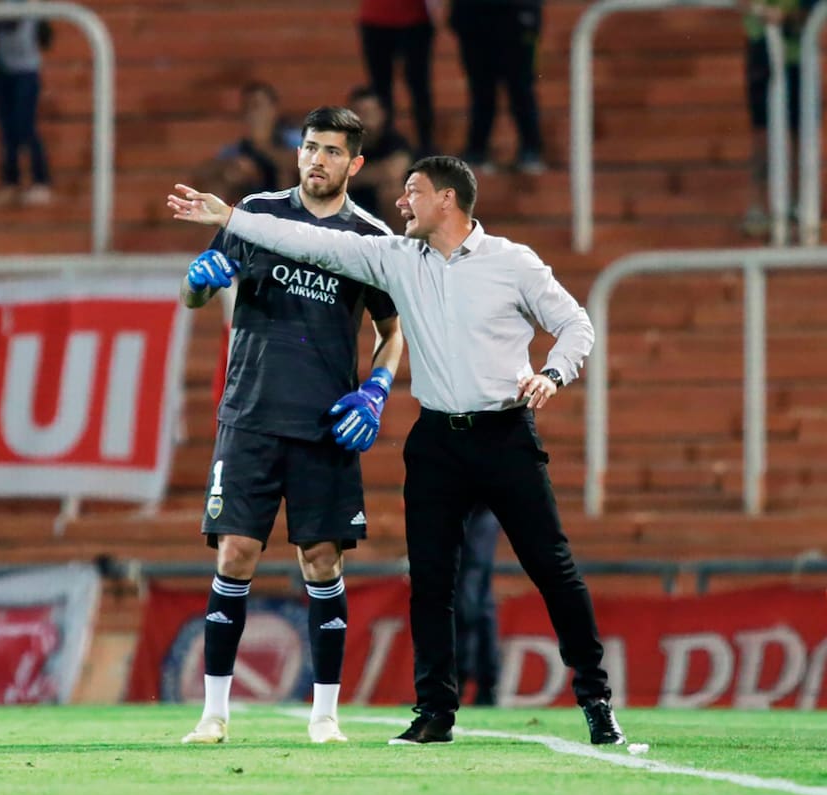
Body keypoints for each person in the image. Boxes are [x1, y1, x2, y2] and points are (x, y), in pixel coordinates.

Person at [167, 155, 627, 747]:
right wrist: (230, 216)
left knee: (553, 570)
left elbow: (576, 324)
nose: (401, 204)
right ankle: (435, 712)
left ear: (448, 201)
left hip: (506, 435)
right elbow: (302, 238)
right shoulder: (396, 259)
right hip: (436, 440)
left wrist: (553, 374)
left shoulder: (512, 263)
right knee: (432, 583)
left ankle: (596, 701)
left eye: (413, 193)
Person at [178, 106, 404, 746]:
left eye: (332, 152)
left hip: (325, 425)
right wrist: (198, 283)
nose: (317, 160)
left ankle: (325, 716)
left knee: (322, 559)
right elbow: (199, 292)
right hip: (249, 414)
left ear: (354, 164)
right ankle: (213, 714)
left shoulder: (370, 239)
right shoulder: (257, 213)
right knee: (236, 553)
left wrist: (377, 389)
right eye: (310, 148)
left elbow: (393, 332)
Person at [739, 0, 815, 237]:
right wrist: (763, 12)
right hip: (763, 46)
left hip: (800, 50)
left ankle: (798, 203)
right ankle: (759, 205)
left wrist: (787, 18)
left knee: (800, 132)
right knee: (761, 133)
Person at [0, 4, 54, 208]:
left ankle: (41, 181)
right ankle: (10, 182)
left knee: (25, 127)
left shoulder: (30, 11)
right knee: (7, 131)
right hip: (2, 72)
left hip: (26, 73)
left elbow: (44, 38)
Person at [450, 0, 545, 174]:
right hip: (473, 15)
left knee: (521, 87)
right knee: (481, 88)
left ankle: (531, 149)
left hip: (518, 14)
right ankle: (477, 149)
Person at [192, 82, 302, 204]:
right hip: (255, 206)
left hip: (293, 207)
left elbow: (301, 163)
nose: (252, 113)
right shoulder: (239, 148)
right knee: (224, 178)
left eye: (256, 106)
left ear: (273, 109)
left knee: (286, 171)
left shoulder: (292, 137)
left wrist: (262, 146)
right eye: (247, 107)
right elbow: (201, 174)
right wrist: (233, 167)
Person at [356, 0, 438, 156]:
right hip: (376, 19)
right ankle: (383, 144)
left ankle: (425, 144)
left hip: (414, 20)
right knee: (381, 88)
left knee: (418, 85)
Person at [346, 86, 414, 228]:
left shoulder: (393, 141)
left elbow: (393, 172)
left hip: (378, 204)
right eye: (358, 113)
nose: (364, 119)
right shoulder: (341, 143)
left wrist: (352, 176)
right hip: (348, 203)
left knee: (393, 192)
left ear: (381, 114)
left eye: (369, 113)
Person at [455, 504, 501, 707]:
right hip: (475, 505)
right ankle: (484, 682)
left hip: (475, 506)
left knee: (469, 595)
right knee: (477, 595)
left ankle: (460, 677)